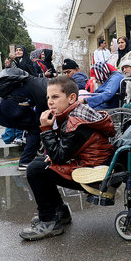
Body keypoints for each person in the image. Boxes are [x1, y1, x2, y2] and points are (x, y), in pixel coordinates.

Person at [20, 75, 115, 241]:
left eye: (55, 97)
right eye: (48, 97)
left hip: (94, 174)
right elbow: (62, 153)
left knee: (35, 170)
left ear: (72, 98)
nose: (50, 102)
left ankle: (49, 221)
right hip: (93, 165)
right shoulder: (76, 113)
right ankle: (59, 212)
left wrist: (46, 128)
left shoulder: (75, 121)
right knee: (39, 164)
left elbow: (59, 157)